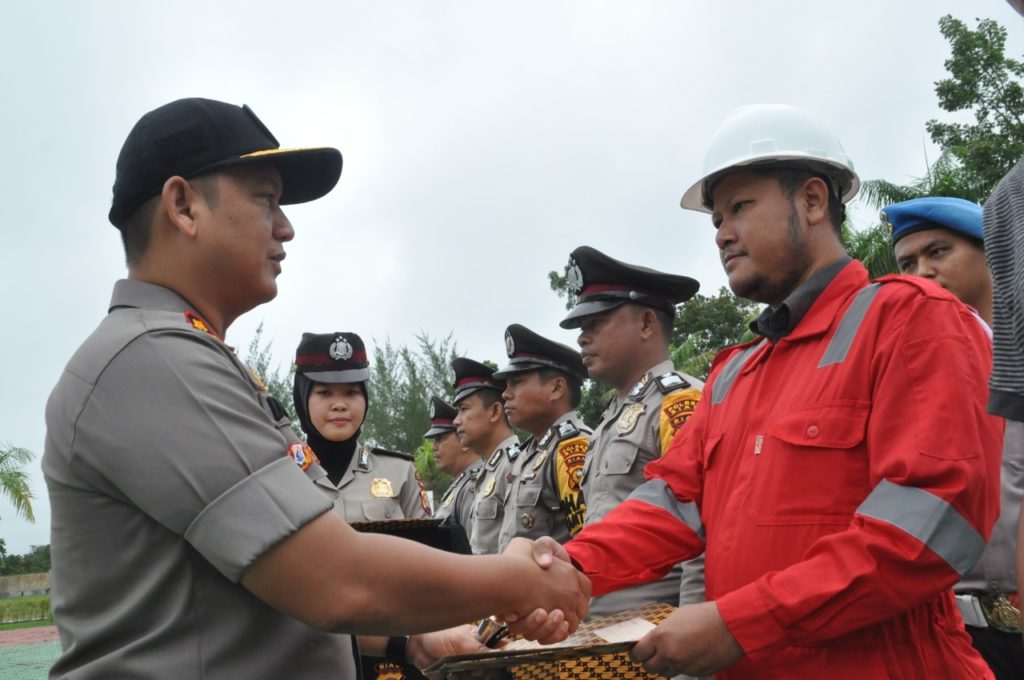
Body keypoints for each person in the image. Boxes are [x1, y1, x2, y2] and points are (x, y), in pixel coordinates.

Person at [42, 97, 589, 679]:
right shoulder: (155, 359)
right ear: (183, 206)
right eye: (266, 199)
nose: (286, 227)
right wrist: (519, 579)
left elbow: (263, 589)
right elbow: (335, 581)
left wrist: (411, 644)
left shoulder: (176, 356)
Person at [529, 104, 1004, 678]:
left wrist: (742, 622)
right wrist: (566, 563)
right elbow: (670, 504)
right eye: (716, 220)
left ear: (813, 201)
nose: (722, 234)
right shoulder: (736, 372)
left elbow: (936, 520)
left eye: (741, 207)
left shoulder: (913, 321)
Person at [884, 197, 1024, 678]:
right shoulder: (905, 375)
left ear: (991, 255)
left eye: (938, 252)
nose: (922, 272)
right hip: (951, 634)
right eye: (907, 263)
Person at [559, 245, 706, 620]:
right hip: (601, 628)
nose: (582, 338)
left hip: (657, 628)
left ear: (646, 324)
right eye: (582, 328)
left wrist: (693, 628)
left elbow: (703, 525)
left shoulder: (679, 402)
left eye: (596, 323)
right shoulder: (610, 419)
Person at [293, 331, 431, 521]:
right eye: (325, 393)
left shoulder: (400, 472)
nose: (340, 405)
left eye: (351, 392)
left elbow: (427, 538)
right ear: (302, 398)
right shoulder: (279, 477)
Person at [494, 323, 591, 551]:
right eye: (507, 385)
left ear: (557, 389)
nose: (505, 394)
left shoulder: (573, 447)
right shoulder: (529, 453)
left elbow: (586, 545)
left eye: (517, 383)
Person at [451, 357, 521, 555]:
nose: (456, 421)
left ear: (495, 412)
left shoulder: (516, 465)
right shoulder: (489, 469)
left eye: (464, 409)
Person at [427, 395, 483, 535]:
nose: (434, 447)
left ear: (464, 442)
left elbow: (472, 545)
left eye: (440, 439)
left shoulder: (473, 486)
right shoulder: (461, 484)